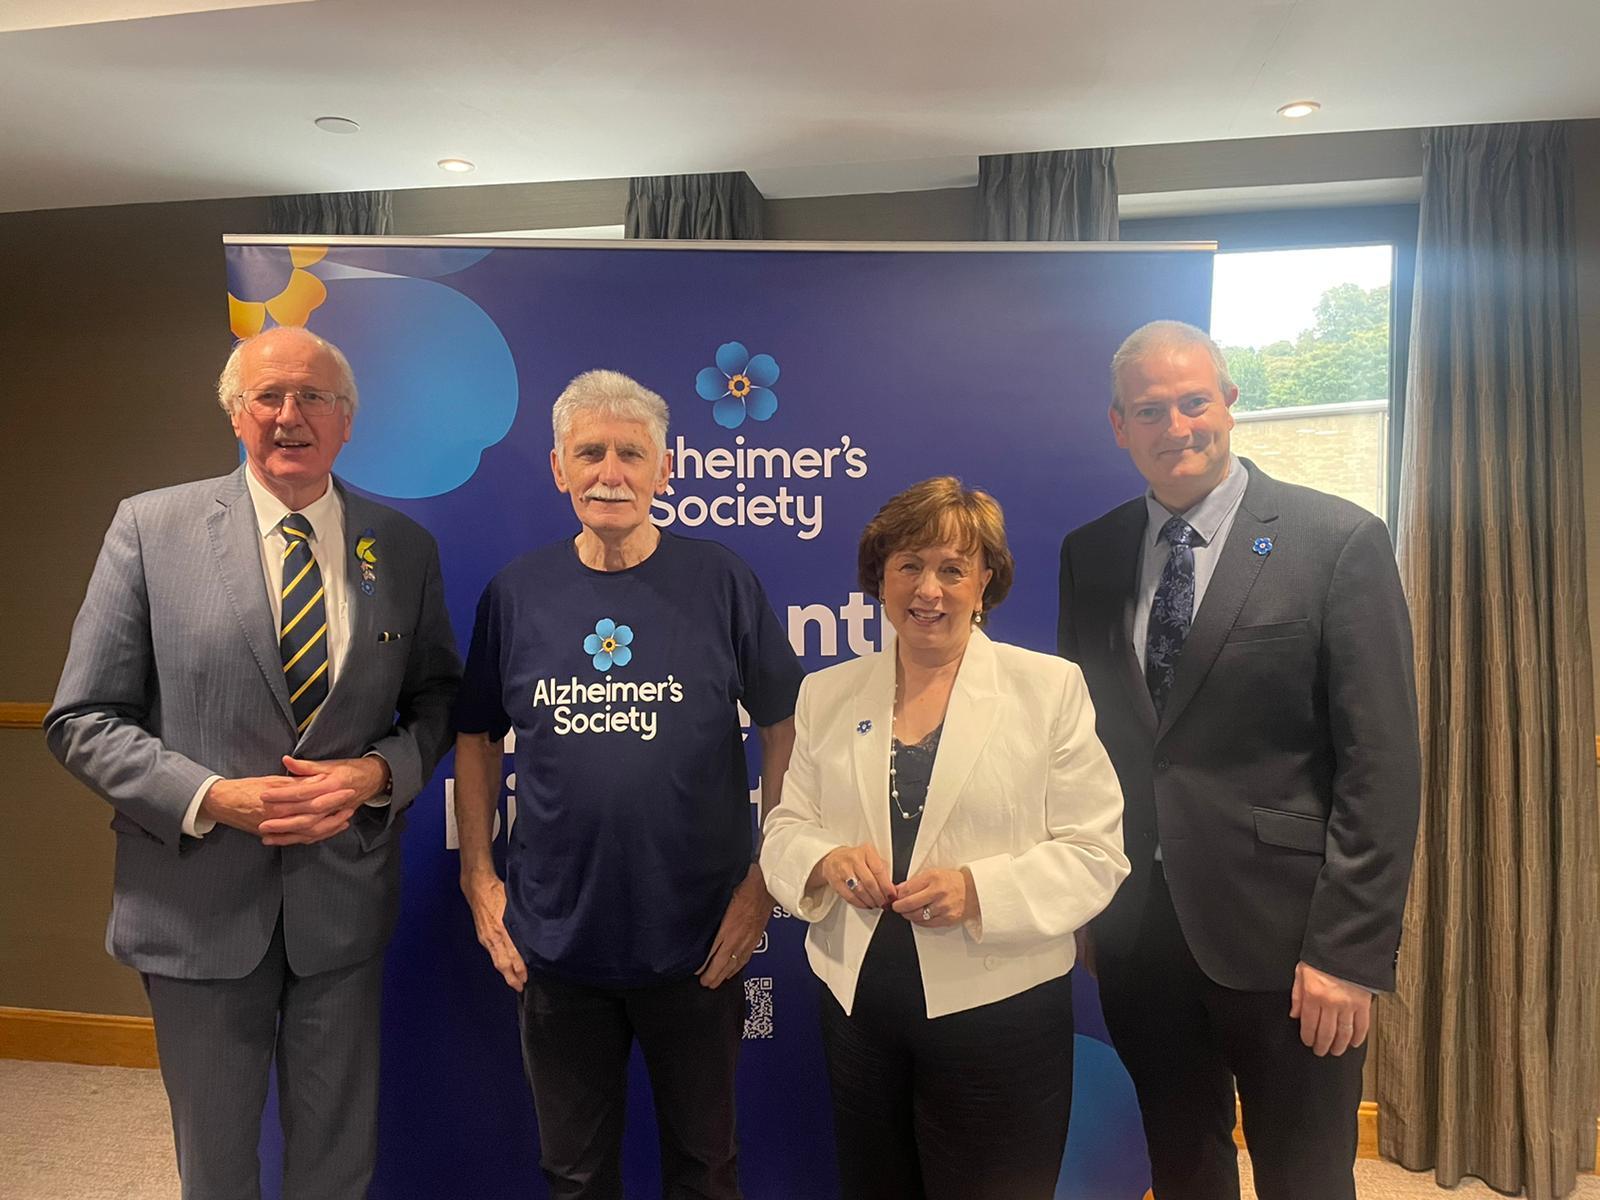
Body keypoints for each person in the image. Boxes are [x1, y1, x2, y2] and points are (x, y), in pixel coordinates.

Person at [45, 325, 461, 1200]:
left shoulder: (403, 548)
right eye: (266, 397)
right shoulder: (150, 529)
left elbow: (437, 704)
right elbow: (82, 717)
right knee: (218, 1164)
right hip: (196, 906)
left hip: (342, 911)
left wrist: (376, 775)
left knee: (337, 1161)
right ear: (236, 414)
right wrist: (210, 796)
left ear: (347, 421)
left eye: (312, 396)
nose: (289, 415)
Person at [1057, 319, 1421, 1200]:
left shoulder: (1337, 541)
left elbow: (1382, 763)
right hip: (1140, 934)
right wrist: (1086, 906)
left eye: (1193, 402)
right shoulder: (1090, 554)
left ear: (1230, 403)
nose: (1177, 426)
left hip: (1291, 942)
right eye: (1151, 410)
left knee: (1305, 1177)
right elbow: (1083, 747)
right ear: (1119, 426)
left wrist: (1348, 954)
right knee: (1182, 1167)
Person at [453, 368, 802, 1200]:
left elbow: (789, 726)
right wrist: (478, 877)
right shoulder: (516, 593)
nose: (610, 472)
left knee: (705, 1168)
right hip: (557, 944)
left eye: (630, 454)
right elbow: (474, 735)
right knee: (573, 1175)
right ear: (558, 468)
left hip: (700, 941)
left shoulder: (721, 581)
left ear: (665, 470)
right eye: (590, 453)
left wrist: (766, 881)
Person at [761, 476, 1129, 1200]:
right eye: (909, 566)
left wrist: (978, 889)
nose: (928, 589)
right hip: (859, 1009)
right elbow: (783, 830)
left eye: (952, 568)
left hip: (1002, 1015)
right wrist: (824, 859)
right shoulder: (826, 694)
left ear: (984, 580)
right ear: (881, 578)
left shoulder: (1048, 689)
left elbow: (1095, 851)